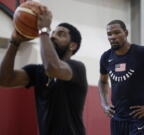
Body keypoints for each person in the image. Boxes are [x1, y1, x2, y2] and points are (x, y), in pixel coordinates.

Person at [0, 6, 87, 135]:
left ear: (72, 45)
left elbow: (52, 68)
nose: (53, 37)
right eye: (53, 33)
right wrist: (14, 42)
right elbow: (5, 80)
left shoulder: (77, 68)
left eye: (60, 34)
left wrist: (44, 30)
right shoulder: (38, 71)